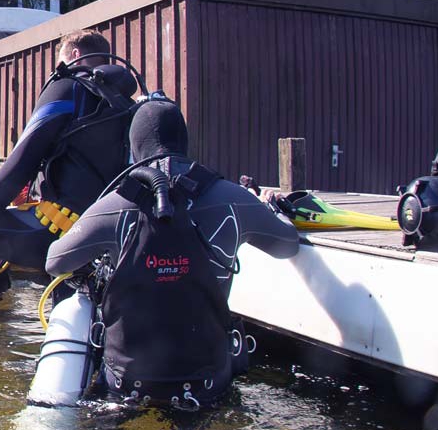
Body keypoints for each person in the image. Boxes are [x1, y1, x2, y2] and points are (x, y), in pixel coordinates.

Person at [44, 100, 300, 405]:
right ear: (184, 141)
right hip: (207, 384)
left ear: (134, 146)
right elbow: (287, 245)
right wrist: (278, 210)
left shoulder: (116, 205)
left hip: (126, 387)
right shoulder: (234, 200)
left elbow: (55, 262)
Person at [0, 29, 138, 310]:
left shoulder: (68, 86)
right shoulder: (127, 103)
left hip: (64, 226)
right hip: (116, 227)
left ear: (74, 56)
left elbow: (24, 156)